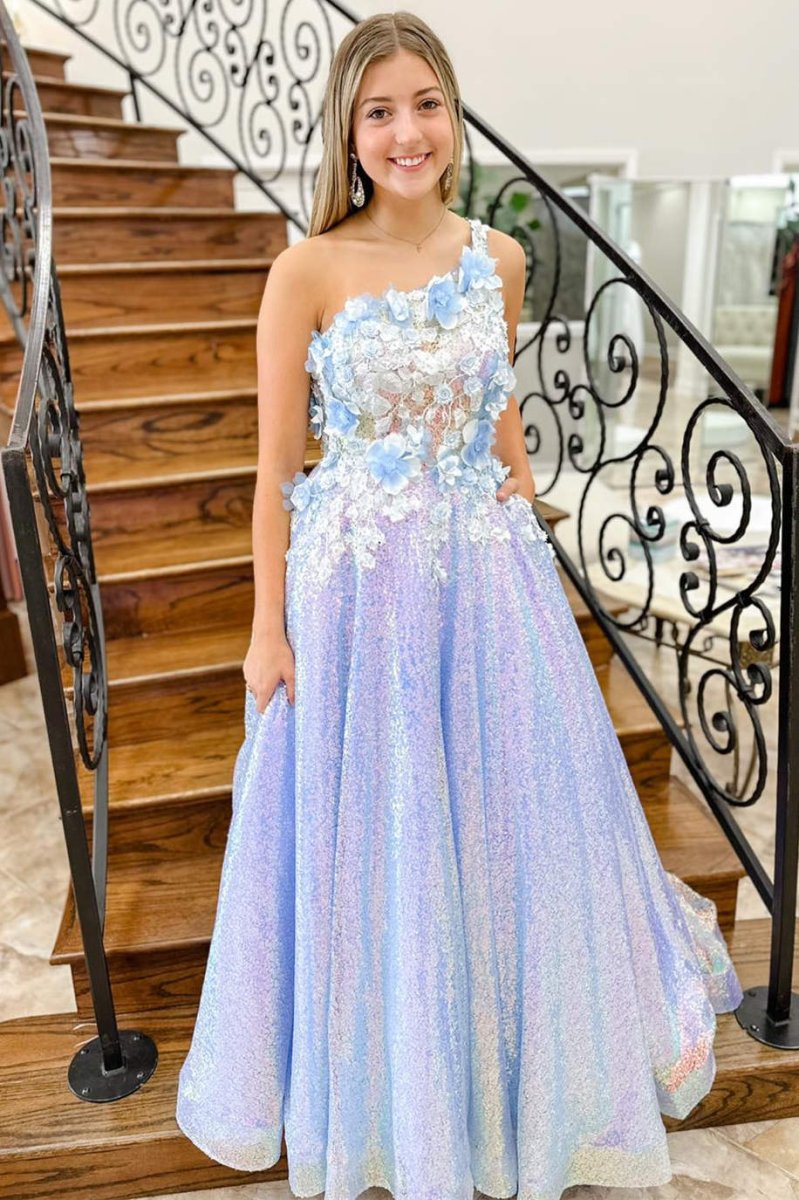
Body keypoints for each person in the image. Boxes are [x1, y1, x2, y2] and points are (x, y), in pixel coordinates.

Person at [175, 11, 744, 1199]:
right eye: (378, 111)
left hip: (483, 585)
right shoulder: (304, 270)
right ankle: (400, 1100)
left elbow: (499, 417)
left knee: (502, 827)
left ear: (453, 113)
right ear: (348, 132)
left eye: (425, 103)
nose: (407, 132)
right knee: (384, 838)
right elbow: (275, 476)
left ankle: (508, 1082)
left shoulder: (501, 258)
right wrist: (266, 630)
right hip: (355, 598)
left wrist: (527, 515)